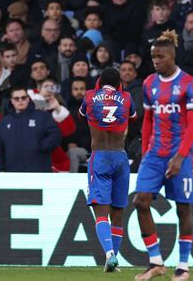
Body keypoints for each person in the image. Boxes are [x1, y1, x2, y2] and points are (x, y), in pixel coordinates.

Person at [133, 30, 193, 281]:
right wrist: (144, 155)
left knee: (183, 208)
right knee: (141, 202)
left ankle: (183, 267)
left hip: (179, 155)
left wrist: (181, 157)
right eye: (153, 57)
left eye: (160, 57)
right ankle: (156, 262)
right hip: (154, 154)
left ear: (172, 56)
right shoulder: (149, 83)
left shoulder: (189, 84)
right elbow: (148, 120)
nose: (156, 61)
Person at [78, 67, 137, 272]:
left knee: (101, 211)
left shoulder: (89, 96)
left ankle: (109, 254)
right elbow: (132, 118)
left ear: (100, 80)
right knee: (118, 212)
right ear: (119, 82)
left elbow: (82, 114)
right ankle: (113, 260)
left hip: (100, 156)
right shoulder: (127, 97)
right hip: (120, 156)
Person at [0, 86, 61, 172]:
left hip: (39, 171)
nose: (20, 100)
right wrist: (0, 169)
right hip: (13, 173)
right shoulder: (5, 121)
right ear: (12, 101)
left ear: (28, 99)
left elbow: (56, 134)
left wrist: (43, 146)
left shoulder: (42, 116)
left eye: (23, 98)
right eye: (16, 98)